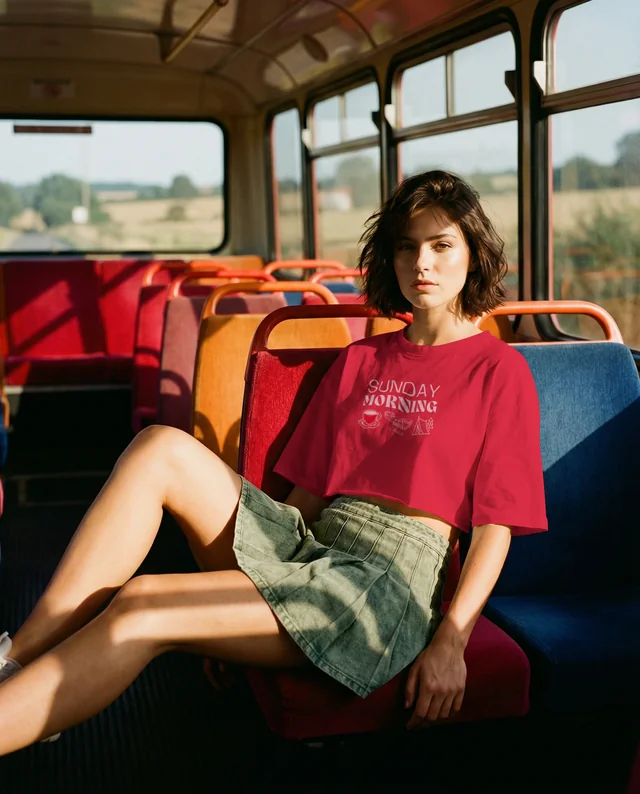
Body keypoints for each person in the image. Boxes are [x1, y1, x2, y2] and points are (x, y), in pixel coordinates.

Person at [0, 170, 547, 754]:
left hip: (387, 583)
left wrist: (452, 640)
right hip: (312, 542)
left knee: (141, 606)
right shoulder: (361, 359)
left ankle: (26, 703)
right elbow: (305, 499)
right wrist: (236, 611)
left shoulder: (499, 370)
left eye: (442, 246)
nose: (422, 263)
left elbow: (494, 528)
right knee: (160, 446)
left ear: (473, 255)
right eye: (407, 246)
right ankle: (16, 657)